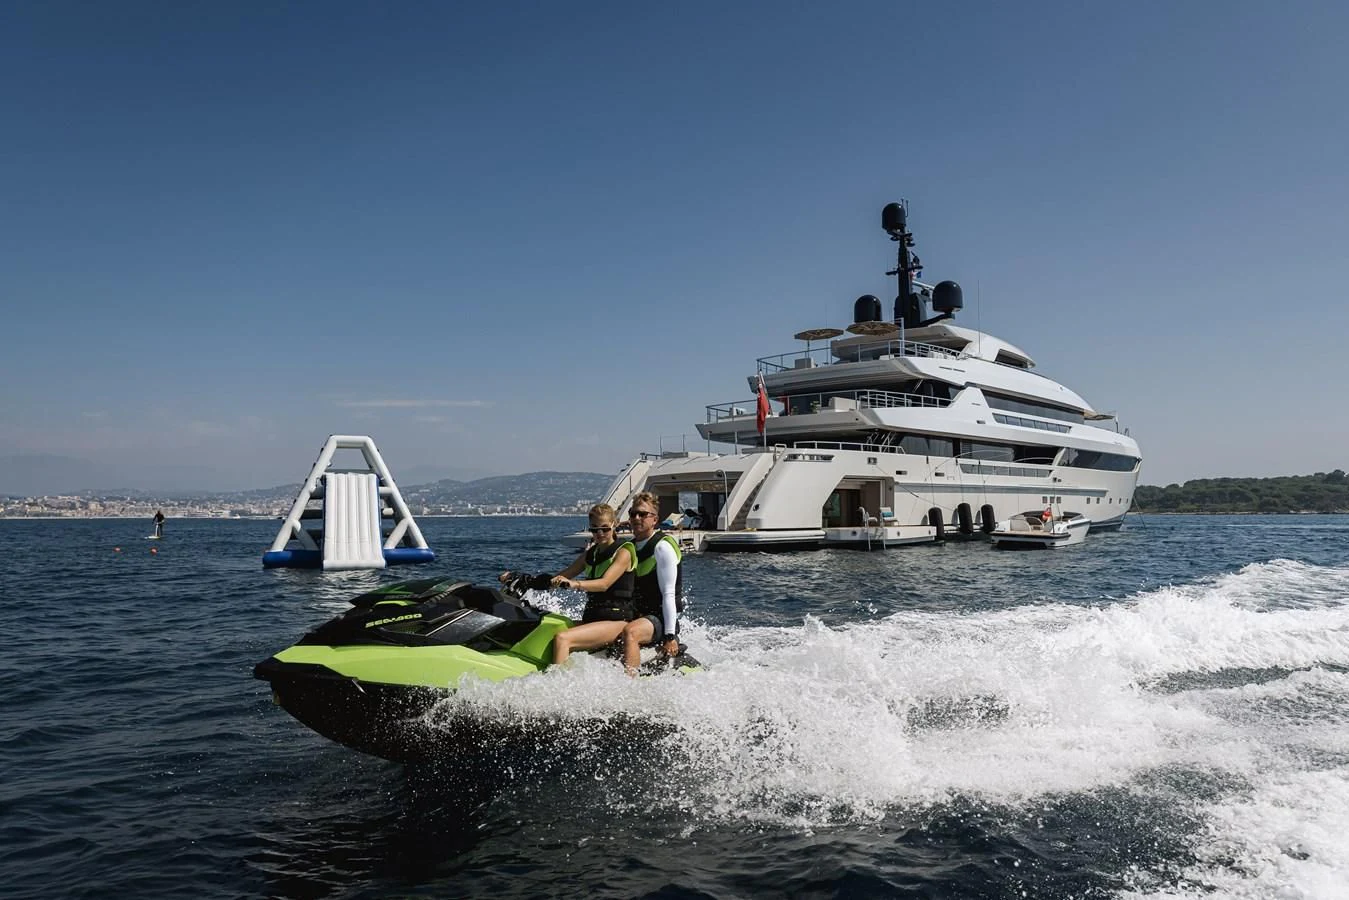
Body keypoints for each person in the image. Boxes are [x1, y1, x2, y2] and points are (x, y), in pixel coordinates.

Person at [498, 503, 637, 665]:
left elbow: (604, 584)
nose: (599, 533)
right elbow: (561, 576)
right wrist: (523, 580)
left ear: (615, 525)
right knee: (546, 630)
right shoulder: (591, 554)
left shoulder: (624, 551)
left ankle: (558, 684)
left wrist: (574, 584)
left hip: (616, 621)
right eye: (594, 529)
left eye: (605, 528)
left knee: (563, 638)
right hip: (593, 617)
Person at [620, 491, 683, 675]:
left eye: (643, 514)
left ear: (654, 519)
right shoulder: (630, 547)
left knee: (630, 632)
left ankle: (629, 685)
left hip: (660, 620)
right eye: (633, 514)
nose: (637, 518)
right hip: (637, 614)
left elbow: (668, 594)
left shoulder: (662, 547)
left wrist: (670, 636)